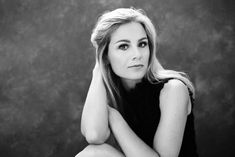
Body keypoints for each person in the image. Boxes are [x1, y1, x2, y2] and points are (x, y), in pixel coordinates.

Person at [76, 7, 198, 157]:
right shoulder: (110, 91)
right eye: (123, 46)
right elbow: (94, 135)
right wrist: (97, 70)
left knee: (95, 154)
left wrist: (113, 118)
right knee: (93, 153)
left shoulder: (174, 89)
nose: (137, 55)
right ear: (106, 55)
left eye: (142, 44)